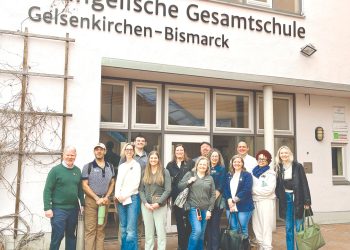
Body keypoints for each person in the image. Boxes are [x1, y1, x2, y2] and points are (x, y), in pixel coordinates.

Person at [43, 146, 84, 250]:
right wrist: (47, 207)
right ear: (63, 155)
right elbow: (47, 190)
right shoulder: (55, 171)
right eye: (68, 155)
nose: (70, 157)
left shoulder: (77, 171)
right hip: (58, 210)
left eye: (72, 155)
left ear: (75, 156)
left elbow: (80, 190)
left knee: (71, 236)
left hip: (73, 209)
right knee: (58, 236)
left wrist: (82, 204)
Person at [275, 146, 312, 250]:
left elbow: (304, 184)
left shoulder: (297, 166)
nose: (284, 155)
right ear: (279, 155)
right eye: (282, 153)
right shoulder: (278, 167)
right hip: (285, 200)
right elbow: (277, 185)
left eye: (286, 153)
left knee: (299, 227)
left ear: (290, 154)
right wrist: (278, 195)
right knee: (288, 228)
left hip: (298, 199)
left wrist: (307, 201)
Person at [81, 143, 116, 250]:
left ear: (105, 151)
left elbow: (112, 183)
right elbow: (84, 185)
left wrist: (107, 197)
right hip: (91, 202)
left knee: (101, 229)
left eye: (101, 149)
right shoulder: (88, 166)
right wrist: (97, 198)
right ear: (94, 151)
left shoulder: (110, 166)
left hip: (104, 201)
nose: (99, 151)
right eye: (96, 149)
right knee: (90, 230)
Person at [178, 156, 216, 250]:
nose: (202, 166)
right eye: (201, 164)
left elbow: (213, 195)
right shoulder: (190, 174)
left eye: (205, 164)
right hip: (193, 208)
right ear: (197, 165)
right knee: (197, 231)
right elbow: (179, 186)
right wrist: (189, 181)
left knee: (202, 234)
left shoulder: (210, 178)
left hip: (205, 209)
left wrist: (210, 210)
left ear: (207, 167)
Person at [139, 151, 171, 250]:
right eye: (151, 158)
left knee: (161, 232)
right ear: (148, 160)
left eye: (155, 158)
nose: (153, 160)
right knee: (149, 233)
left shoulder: (164, 171)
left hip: (160, 206)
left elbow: (168, 190)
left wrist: (159, 203)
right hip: (146, 206)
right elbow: (141, 190)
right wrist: (145, 203)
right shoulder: (145, 172)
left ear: (158, 159)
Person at [166, 144, 195, 250]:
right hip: (176, 197)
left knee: (189, 222)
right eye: (177, 150)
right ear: (175, 152)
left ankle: (187, 244)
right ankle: (181, 246)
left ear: (184, 151)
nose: (179, 152)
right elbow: (168, 182)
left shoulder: (191, 163)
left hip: (189, 196)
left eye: (181, 150)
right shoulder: (170, 165)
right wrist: (168, 196)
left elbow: (194, 177)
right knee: (179, 222)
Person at [114, 143, 141, 250]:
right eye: (127, 149)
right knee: (123, 228)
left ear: (133, 152)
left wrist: (124, 196)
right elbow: (118, 182)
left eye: (131, 149)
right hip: (120, 200)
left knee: (131, 229)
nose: (129, 151)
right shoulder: (121, 166)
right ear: (124, 151)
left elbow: (136, 184)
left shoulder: (136, 165)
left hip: (132, 199)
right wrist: (117, 195)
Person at [223, 155, 254, 247]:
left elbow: (247, 189)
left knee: (242, 228)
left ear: (242, 163)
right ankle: (235, 247)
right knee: (233, 228)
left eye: (239, 162)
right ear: (232, 163)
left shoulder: (247, 175)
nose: (237, 163)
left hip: (244, 206)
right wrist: (229, 199)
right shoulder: (228, 175)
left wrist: (234, 200)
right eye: (235, 162)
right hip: (230, 205)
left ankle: (244, 247)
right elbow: (226, 189)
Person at [251, 150, 276, 250]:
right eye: (259, 158)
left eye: (264, 159)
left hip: (267, 202)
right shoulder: (253, 172)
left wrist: (253, 191)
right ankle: (261, 246)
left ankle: (267, 247)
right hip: (255, 201)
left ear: (268, 160)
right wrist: (257, 191)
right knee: (256, 226)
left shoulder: (271, 173)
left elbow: (269, 190)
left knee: (266, 226)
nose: (261, 160)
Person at [205, 149, 226, 250]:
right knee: (207, 226)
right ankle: (209, 247)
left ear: (219, 158)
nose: (214, 158)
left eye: (216, 156)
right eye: (212, 156)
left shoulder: (221, 169)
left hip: (216, 202)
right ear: (209, 157)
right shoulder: (206, 167)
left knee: (214, 225)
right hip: (205, 202)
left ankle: (215, 247)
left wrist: (212, 200)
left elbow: (220, 187)